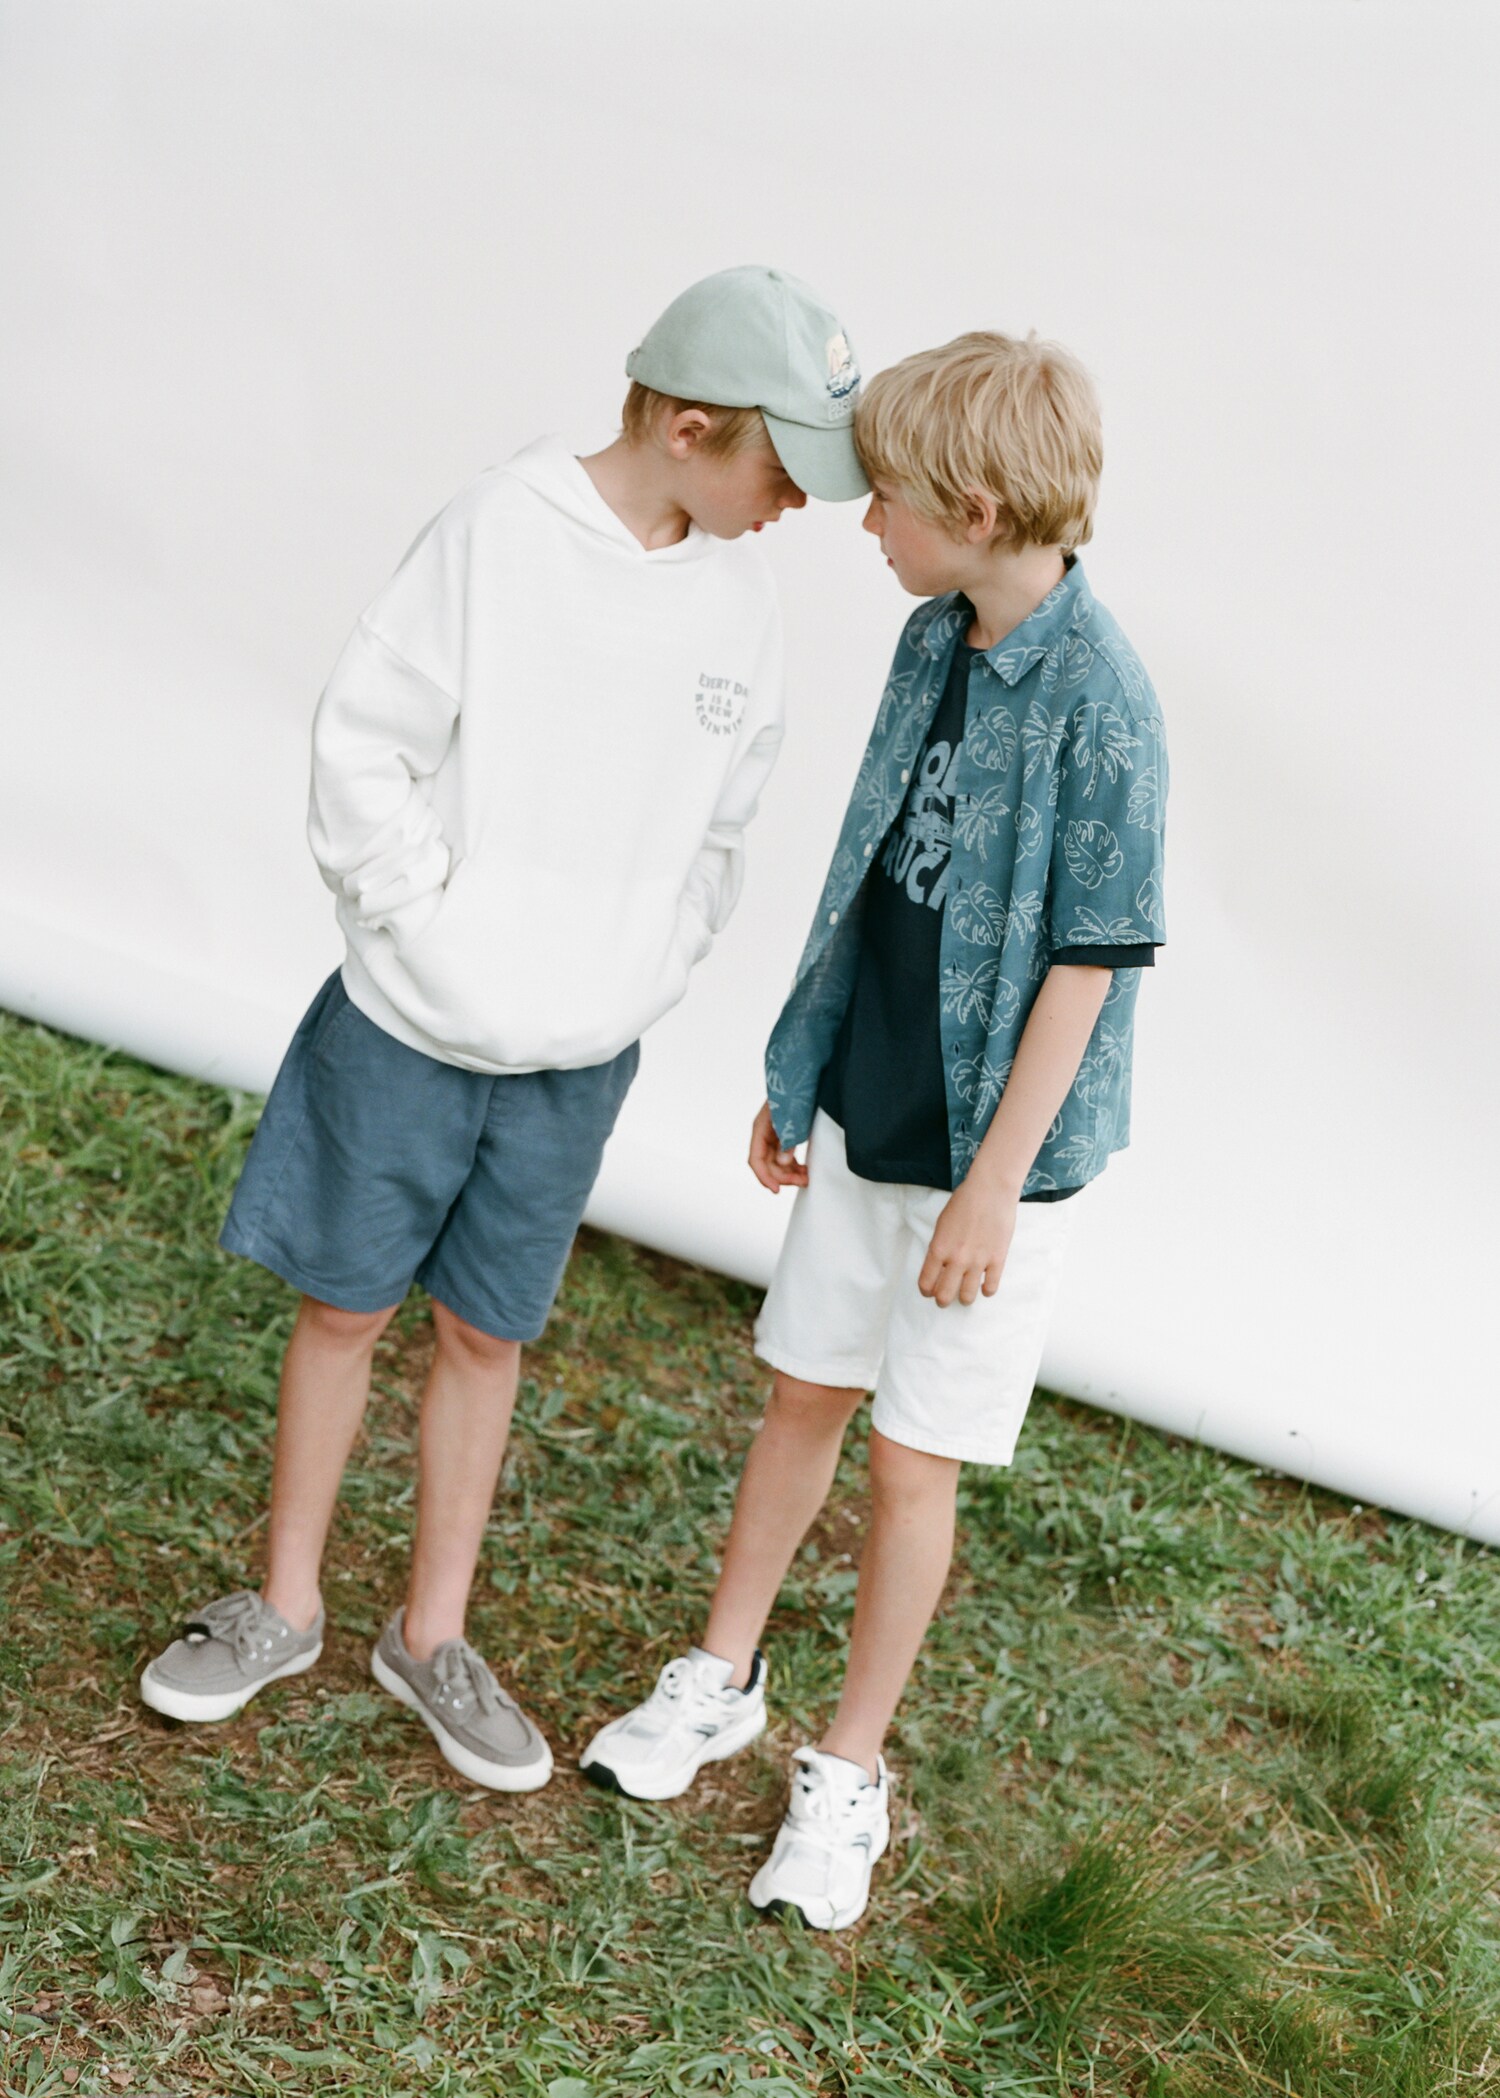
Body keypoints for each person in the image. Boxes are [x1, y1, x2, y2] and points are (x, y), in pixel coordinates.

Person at [137, 267, 869, 1793]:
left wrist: (642, 966)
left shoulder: (742, 601)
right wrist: (430, 931)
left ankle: (433, 1632)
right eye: (783, 466)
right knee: (345, 1307)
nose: (798, 502)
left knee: (488, 1331)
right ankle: (285, 1601)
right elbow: (365, 750)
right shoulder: (495, 534)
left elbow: (723, 827)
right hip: (407, 1030)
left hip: (574, 1065)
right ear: (688, 426)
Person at [581, 331, 1168, 1925]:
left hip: (990, 1168)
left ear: (975, 509)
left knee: (913, 1460)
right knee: (804, 1392)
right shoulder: (932, 639)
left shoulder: (1107, 706)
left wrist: (991, 1189)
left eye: (889, 499)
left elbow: (1090, 965)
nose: (866, 522)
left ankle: (849, 1765)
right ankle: (723, 1672)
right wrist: (806, 1061)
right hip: (870, 1107)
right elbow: (868, 866)